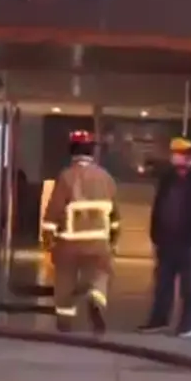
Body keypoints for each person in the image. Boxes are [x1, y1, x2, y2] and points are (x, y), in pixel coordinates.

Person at [138, 137, 191, 338]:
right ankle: (158, 320)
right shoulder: (168, 178)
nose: (174, 157)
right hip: (167, 241)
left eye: (179, 154)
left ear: (189, 156)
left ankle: (188, 325)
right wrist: (156, 233)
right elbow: (159, 206)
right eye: (173, 153)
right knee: (163, 283)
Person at [41, 130, 120, 333]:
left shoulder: (66, 177)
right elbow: (115, 218)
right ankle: (96, 297)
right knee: (101, 274)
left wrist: (48, 242)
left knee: (65, 282)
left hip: (69, 244)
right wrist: (112, 241)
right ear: (92, 151)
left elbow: (53, 213)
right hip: (99, 243)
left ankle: (65, 323)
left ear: (72, 151)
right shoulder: (107, 178)